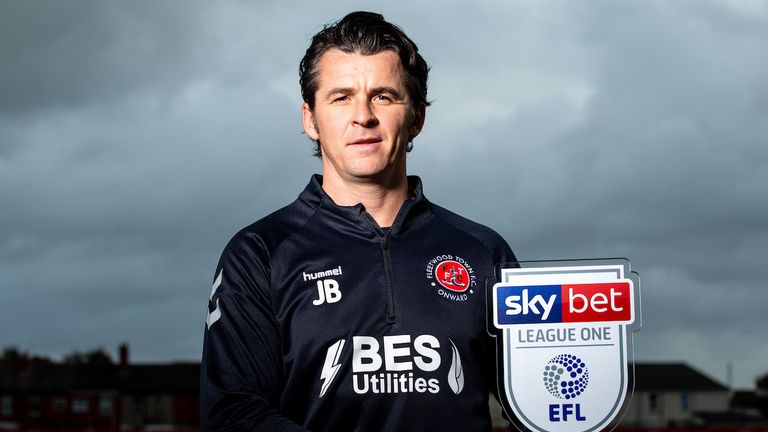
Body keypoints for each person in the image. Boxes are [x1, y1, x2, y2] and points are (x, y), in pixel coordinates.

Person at [200, 11, 517, 432]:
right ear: (310, 119)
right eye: (341, 97)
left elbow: (529, 400)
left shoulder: (482, 252)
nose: (363, 116)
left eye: (384, 96)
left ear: (417, 117)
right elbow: (232, 413)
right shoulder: (261, 253)